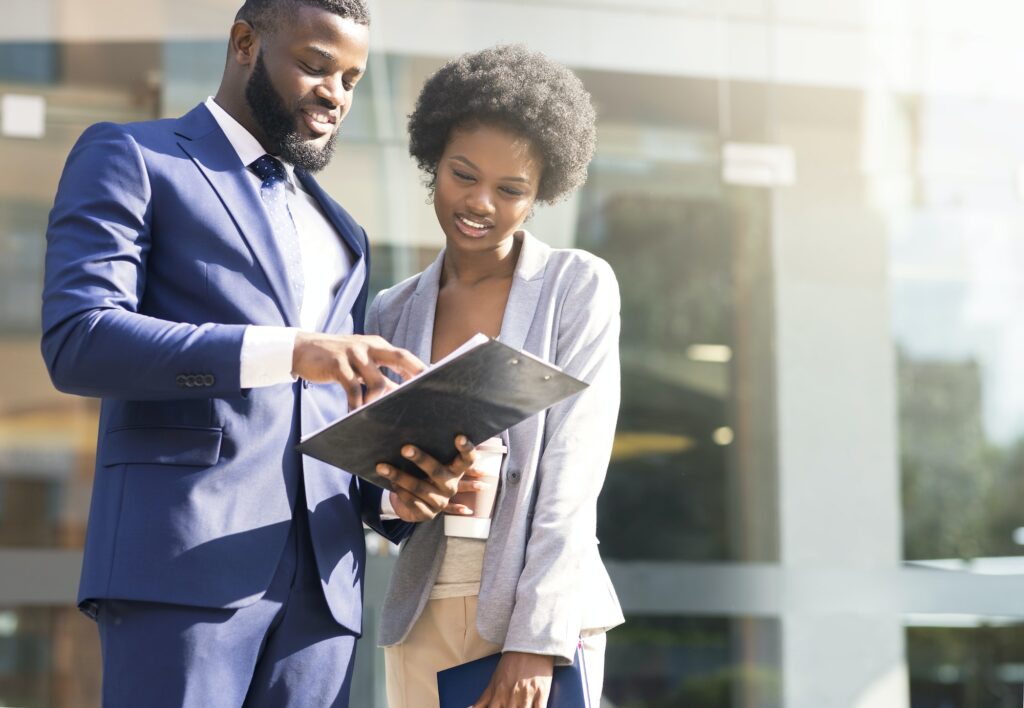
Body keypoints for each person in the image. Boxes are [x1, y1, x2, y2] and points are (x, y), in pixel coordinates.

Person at [40, 1, 473, 705]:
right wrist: (292, 351)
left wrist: (399, 493)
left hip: (323, 595)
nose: (336, 93)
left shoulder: (345, 233)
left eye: (353, 78)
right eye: (315, 64)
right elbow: (80, 338)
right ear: (245, 43)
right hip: (181, 570)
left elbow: (330, 406)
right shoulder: (132, 154)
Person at [369, 45, 625, 708]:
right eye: (463, 175)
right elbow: (376, 484)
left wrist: (537, 639)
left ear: (541, 194)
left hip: (534, 609)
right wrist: (404, 499)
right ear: (434, 164)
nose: (480, 202)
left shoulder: (577, 287)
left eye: (511, 190)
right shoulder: (392, 310)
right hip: (420, 613)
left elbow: (574, 470)